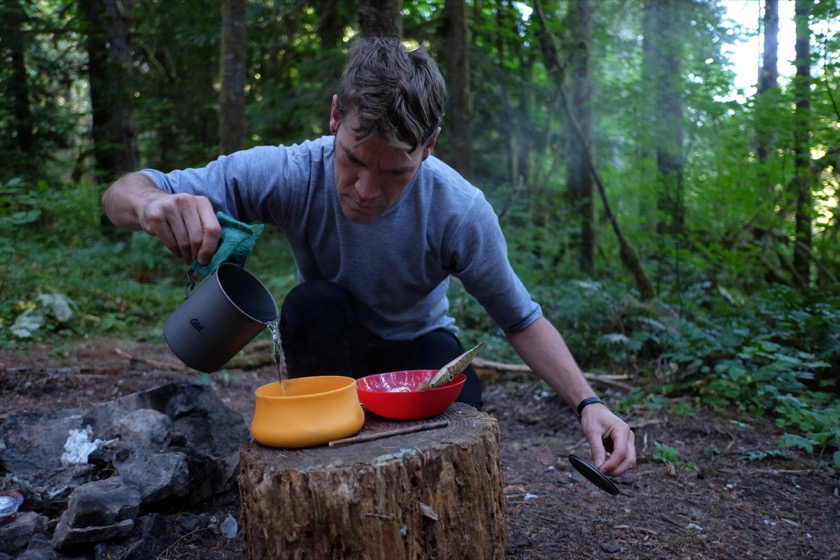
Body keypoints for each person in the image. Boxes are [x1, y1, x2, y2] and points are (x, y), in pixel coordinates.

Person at [102, 36, 636, 476]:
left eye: (395, 172)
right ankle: (322, 467)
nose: (365, 189)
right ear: (336, 116)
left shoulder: (458, 210)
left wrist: (589, 404)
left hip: (418, 353)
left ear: (429, 146)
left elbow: (520, 318)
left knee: (462, 404)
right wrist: (152, 205)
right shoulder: (292, 172)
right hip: (331, 347)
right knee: (312, 304)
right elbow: (124, 192)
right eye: (353, 160)